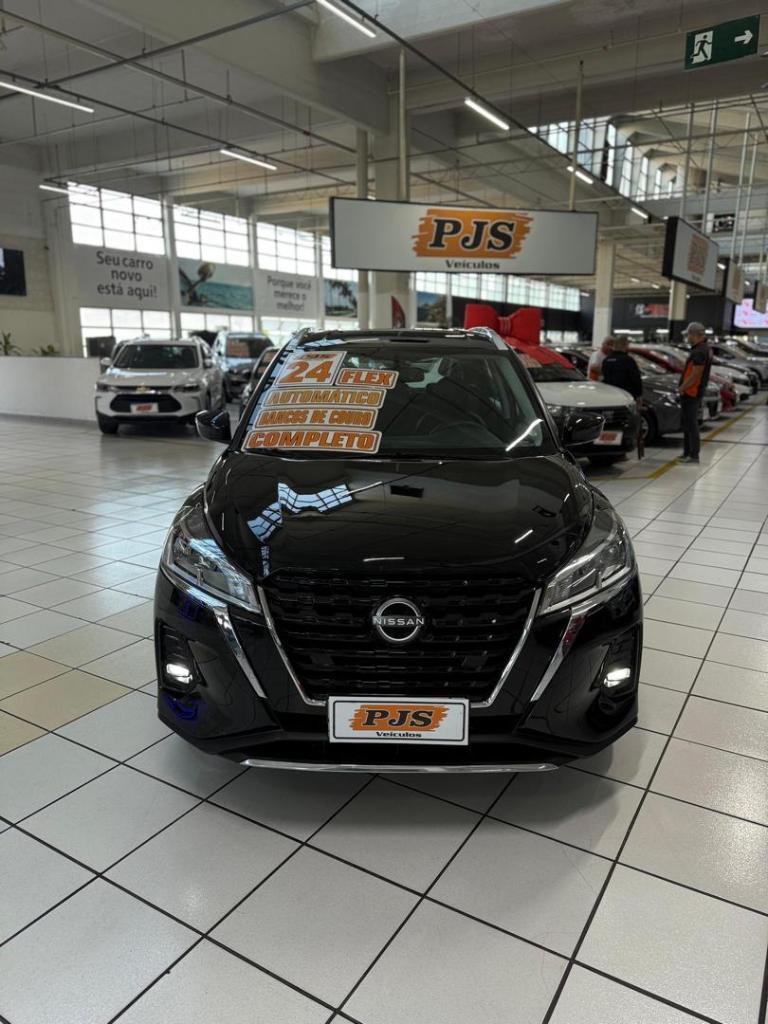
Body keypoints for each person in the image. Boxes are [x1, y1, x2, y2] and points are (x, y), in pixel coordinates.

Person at [678, 322, 713, 464]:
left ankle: (693, 455)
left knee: (691, 424)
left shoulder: (699, 351)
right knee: (688, 423)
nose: (687, 337)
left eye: (688, 335)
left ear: (694, 334)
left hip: (692, 392)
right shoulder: (703, 348)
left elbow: (696, 374)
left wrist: (682, 387)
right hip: (692, 391)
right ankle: (687, 453)